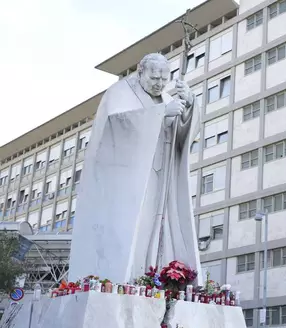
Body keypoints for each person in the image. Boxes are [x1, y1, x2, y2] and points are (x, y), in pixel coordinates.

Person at [68, 53, 202, 285]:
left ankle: (154, 278)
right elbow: (116, 126)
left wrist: (189, 107)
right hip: (131, 182)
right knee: (135, 232)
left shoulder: (167, 98)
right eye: (154, 78)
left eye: (164, 78)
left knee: (159, 231)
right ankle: (129, 279)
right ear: (140, 72)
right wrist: (161, 114)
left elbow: (181, 138)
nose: (159, 83)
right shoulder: (120, 92)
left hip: (161, 178)